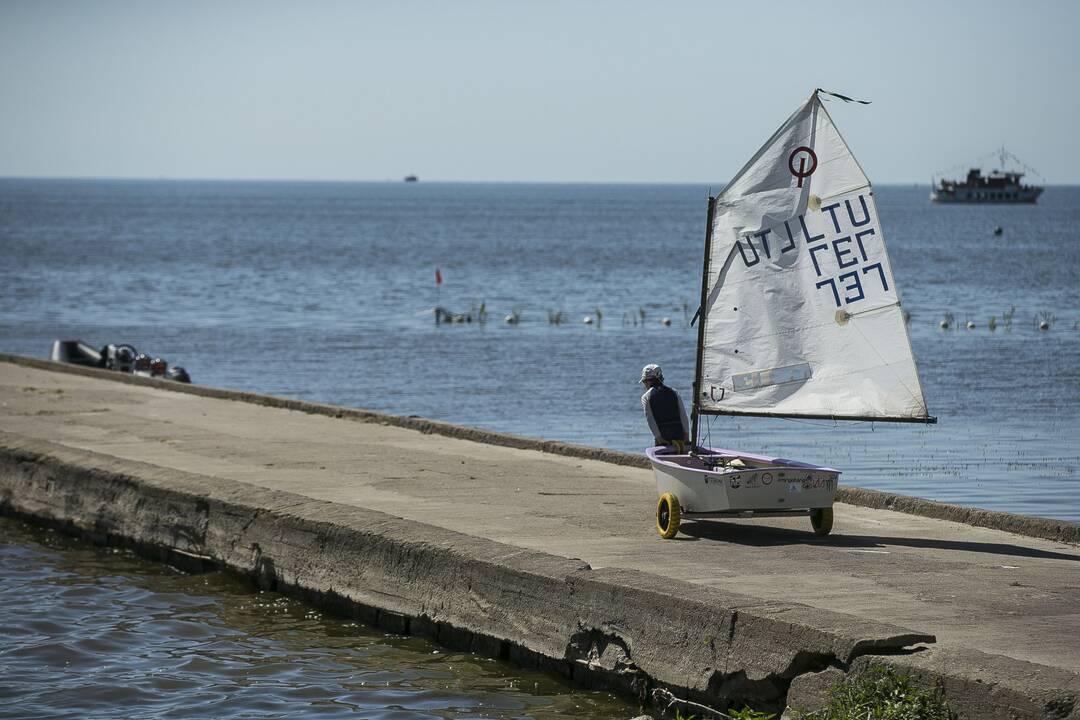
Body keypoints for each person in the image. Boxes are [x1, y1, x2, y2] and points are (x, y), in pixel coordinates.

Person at [639, 364, 689, 450]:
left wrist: (659, 438)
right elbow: (683, 416)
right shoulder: (674, 392)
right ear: (661, 378)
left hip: (663, 438)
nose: (644, 385)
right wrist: (686, 435)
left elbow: (650, 420)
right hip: (679, 435)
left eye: (644, 382)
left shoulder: (646, 397)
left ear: (648, 381)